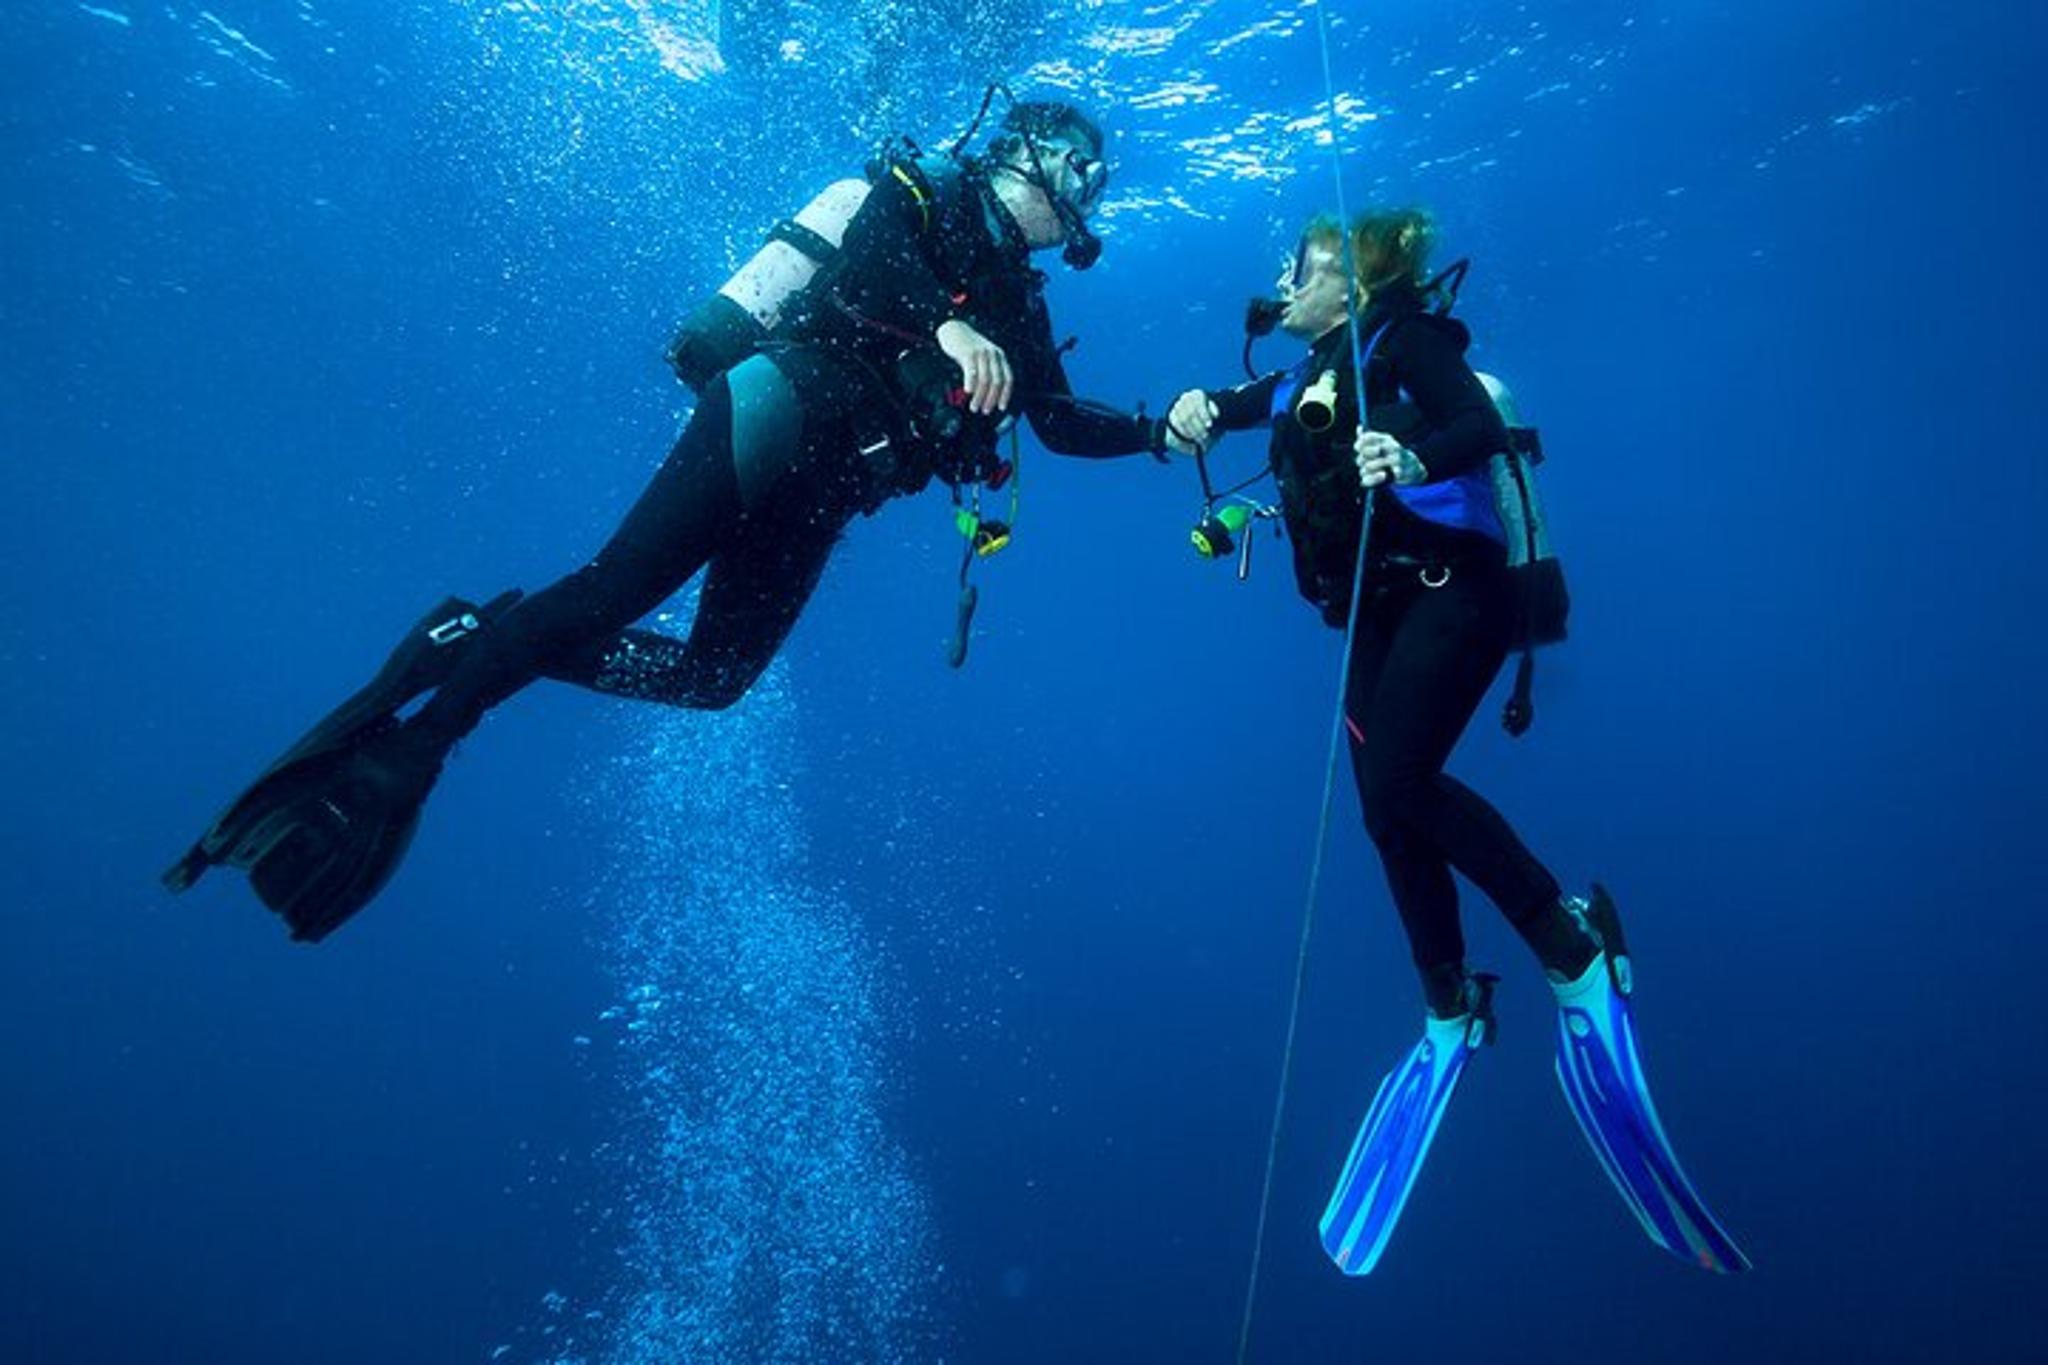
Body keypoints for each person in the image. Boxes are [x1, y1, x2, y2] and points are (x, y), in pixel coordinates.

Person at [164, 96, 1169, 943]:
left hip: (822, 493)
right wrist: (945, 323)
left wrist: (1168, 430)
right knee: (612, 590)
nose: (1091, 194)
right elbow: (865, 264)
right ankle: (415, 746)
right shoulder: (926, 192)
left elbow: (1060, 422)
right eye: (1084, 170)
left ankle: (477, 638)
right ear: (1029, 155)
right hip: (780, 405)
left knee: (713, 680)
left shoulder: (1019, 305)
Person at [1161, 209, 1748, 1276]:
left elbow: (1474, 428)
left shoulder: (1411, 341)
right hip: (1379, 616)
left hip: (1454, 595)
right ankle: (1447, 999)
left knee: (1400, 778)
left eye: (1302, 266)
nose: (1283, 280)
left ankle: (1571, 946)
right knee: (1384, 809)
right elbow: (1248, 406)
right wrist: (1198, 409)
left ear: (1356, 276)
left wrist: (1409, 448)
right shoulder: (1306, 375)